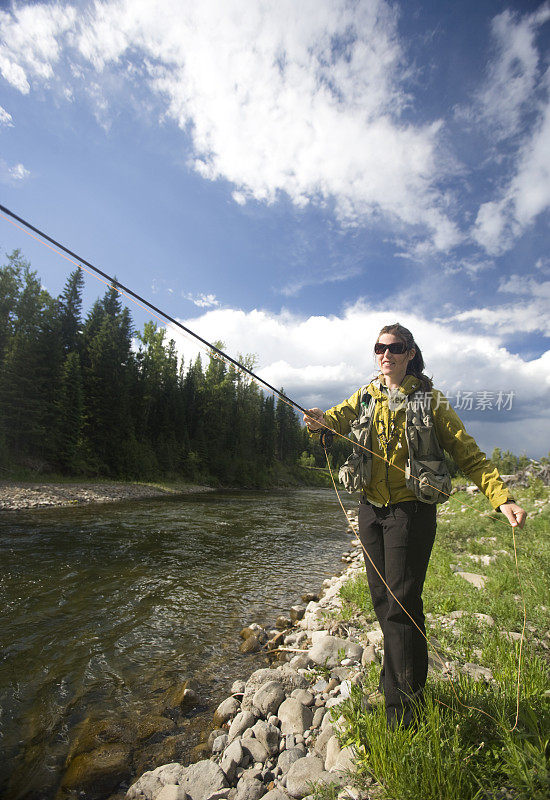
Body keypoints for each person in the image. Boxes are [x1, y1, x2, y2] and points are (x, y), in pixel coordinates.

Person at [303, 322, 526, 729]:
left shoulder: (431, 401)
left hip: (411, 512)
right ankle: (403, 694)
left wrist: (502, 497)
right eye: (379, 348)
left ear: (409, 354)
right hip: (371, 510)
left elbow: (468, 453)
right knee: (385, 605)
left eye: (394, 347)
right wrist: (318, 420)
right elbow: (334, 418)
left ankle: (402, 716)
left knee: (402, 605)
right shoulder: (366, 395)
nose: (385, 354)